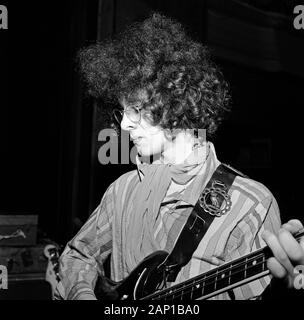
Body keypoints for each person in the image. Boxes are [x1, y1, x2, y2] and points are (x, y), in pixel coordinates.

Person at [54, 13, 304, 300]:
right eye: (122, 112)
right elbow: (77, 256)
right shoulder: (122, 191)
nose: (123, 125)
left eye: (135, 109)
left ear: (176, 103)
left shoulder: (250, 204)